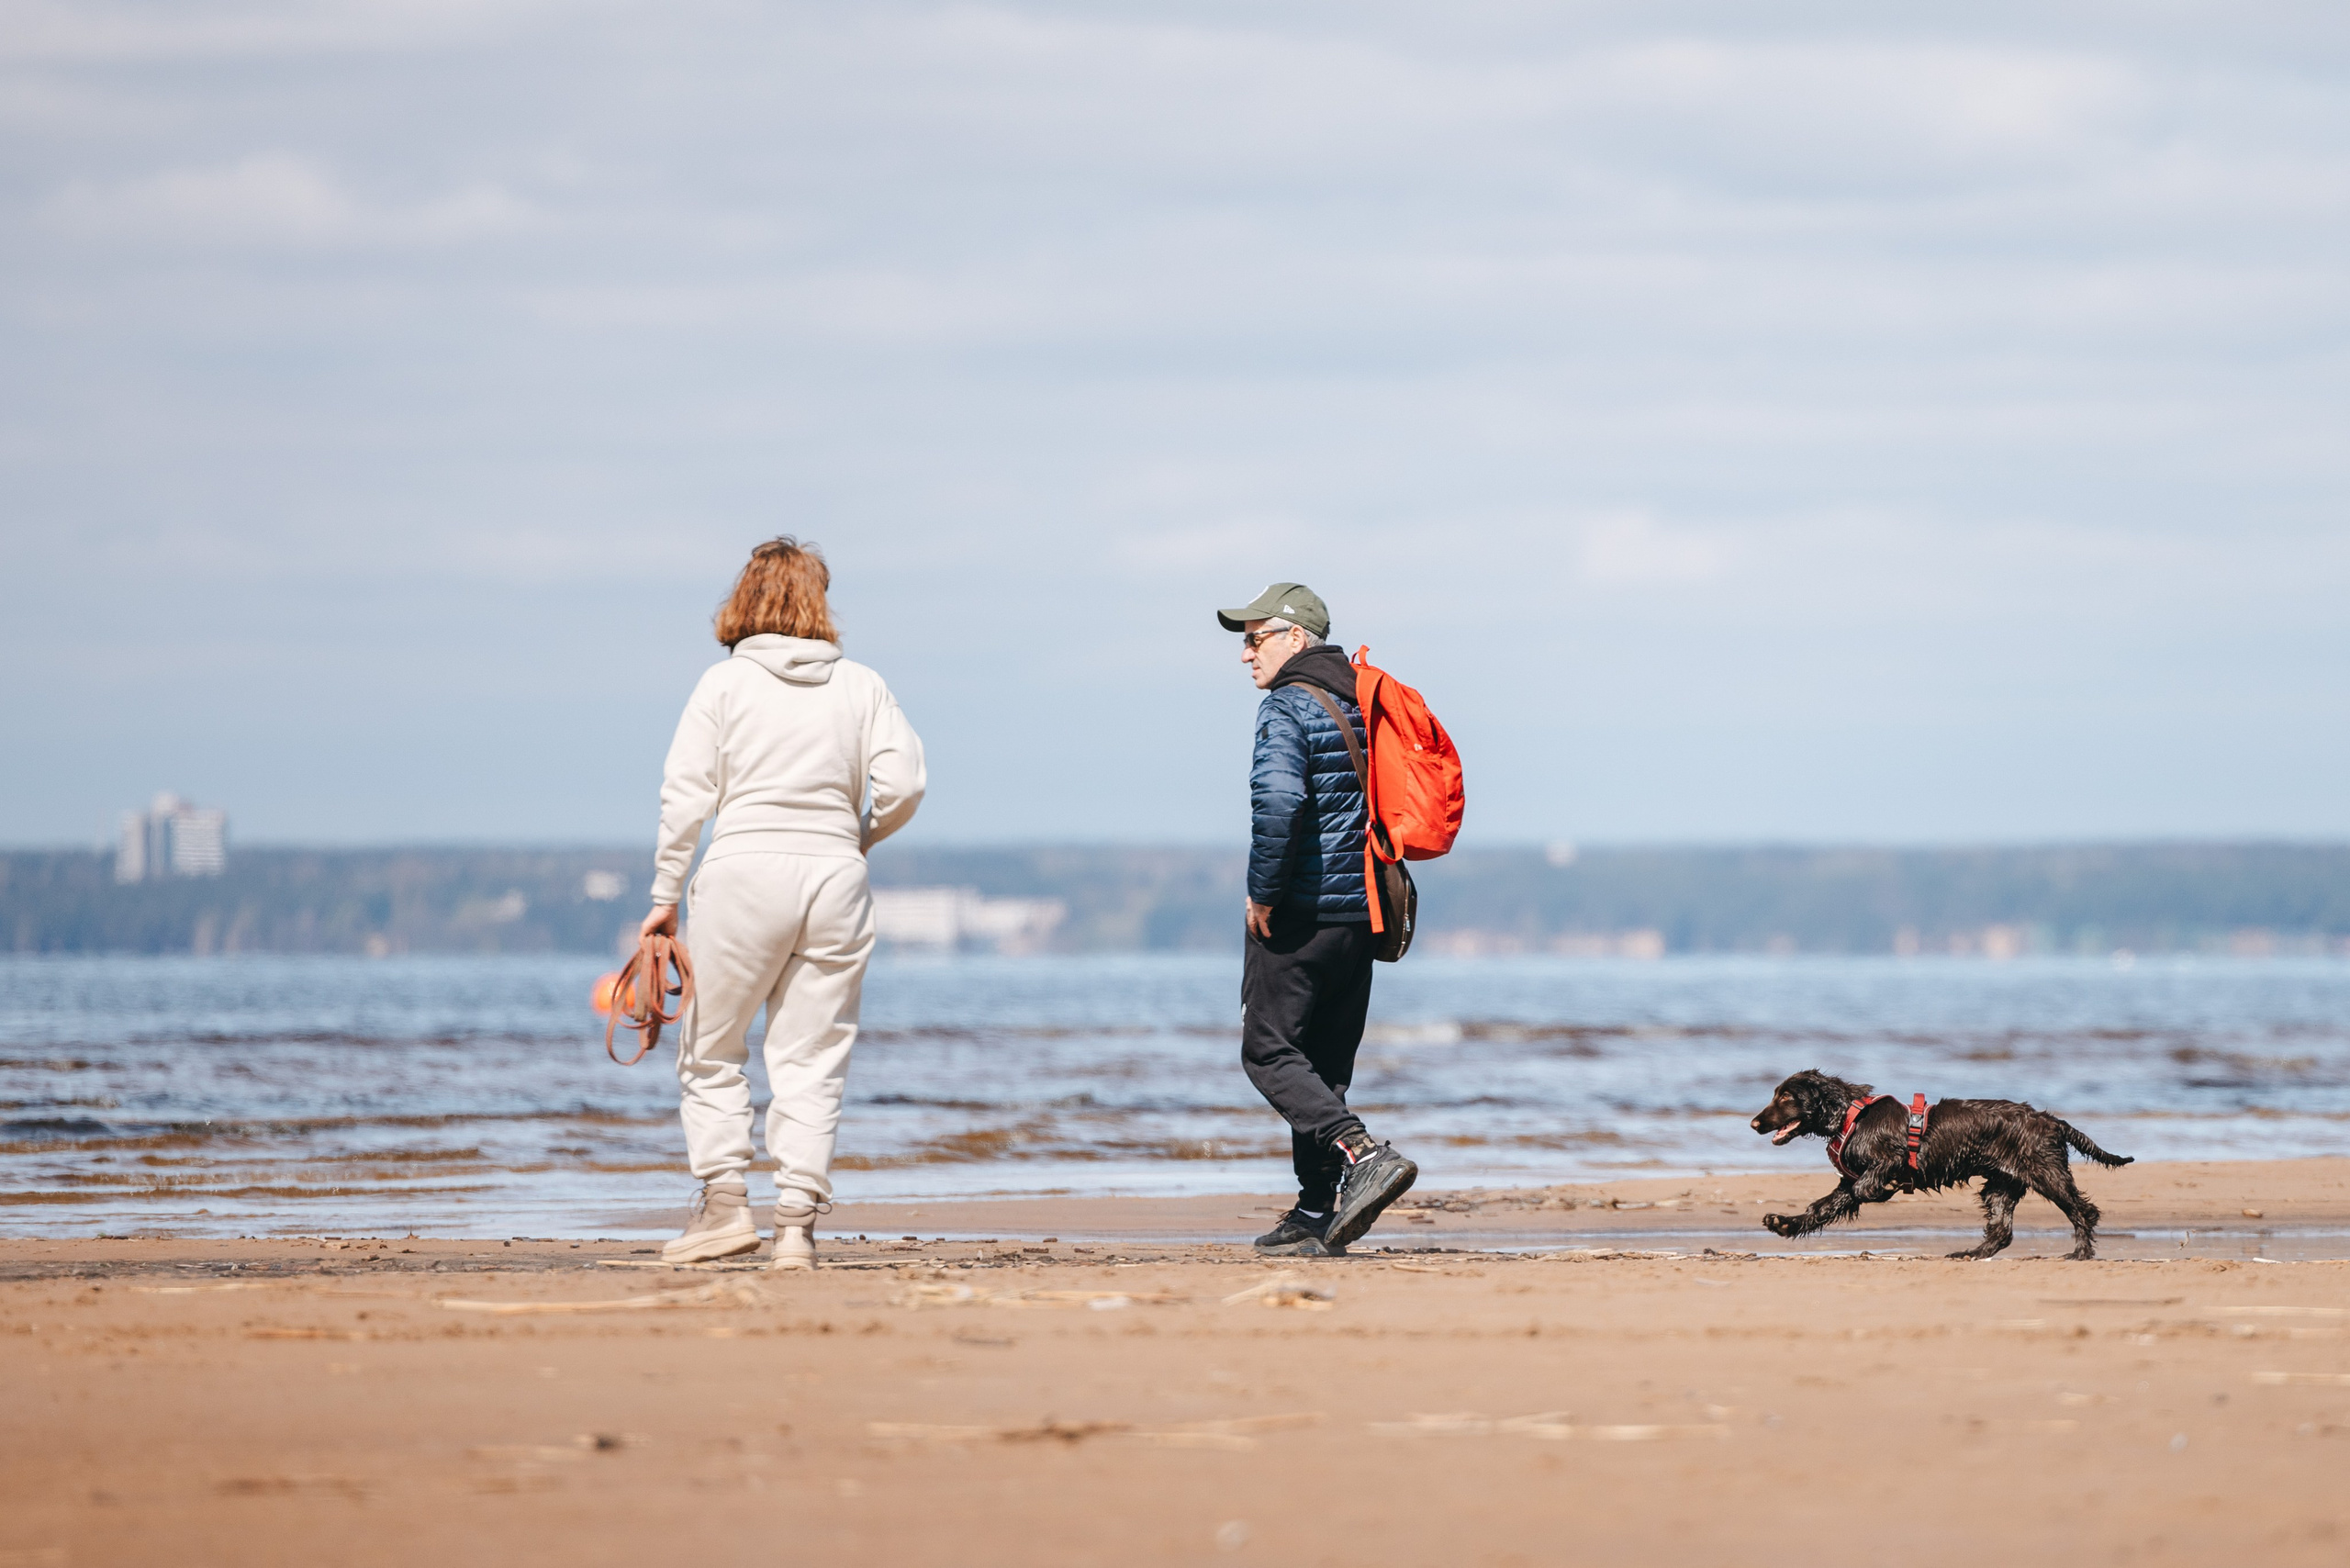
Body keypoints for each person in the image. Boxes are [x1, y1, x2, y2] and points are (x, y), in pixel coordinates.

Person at [641, 537, 924, 1269]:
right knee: (812, 1058)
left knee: (711, 1049)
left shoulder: (723, 686)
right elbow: (906, 787)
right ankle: (796, 1226)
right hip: (835, 876)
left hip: (741, 872)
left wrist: (663, 898)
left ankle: (727, 1208)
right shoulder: (862, 685)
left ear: (743, 600)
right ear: (819, 602)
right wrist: (857, 838)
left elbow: (684, 800)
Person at [1216, 582, 1417, 1255]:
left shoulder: (1286, 706)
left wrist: (1263, 894)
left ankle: (1363, 1154)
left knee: (1269, 1051)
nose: (1246, 654)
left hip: (1301, 911)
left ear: (1295, 638)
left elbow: (1278, 805)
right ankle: (1312, 1211)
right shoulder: (1357, 697)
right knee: (1323, 1065)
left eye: (1254, 639)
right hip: (1359, 915)